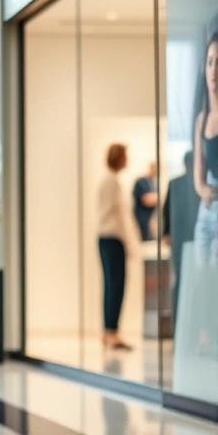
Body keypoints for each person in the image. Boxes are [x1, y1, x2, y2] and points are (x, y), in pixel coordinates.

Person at [98, 144, 132, 350]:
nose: (127, 159)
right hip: (112, 237)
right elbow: (116, 215)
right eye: (125, 155)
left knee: (111, 285)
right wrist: (126, 242)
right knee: (115, 285)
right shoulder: (111, 181)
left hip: (107, 237)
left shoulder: (109, 180)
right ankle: (112, 331)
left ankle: (109, 330)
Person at [162, 151, 200, 326]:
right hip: (184, 239)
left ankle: (184, 323)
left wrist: (167, 233)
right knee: (183, 279)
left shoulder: (182, 183)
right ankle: (181, 323)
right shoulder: (180, 183)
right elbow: (167, 210)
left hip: (186, 239)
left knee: (184, 279)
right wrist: (167, 233)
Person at [192, 33, 218, 249]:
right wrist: (205, 190)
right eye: (210, 62)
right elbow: (198, 177)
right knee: (200, 265)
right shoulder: (202, 119)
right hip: (207, 211)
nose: (214, 70)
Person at [132, 161, 158, 242]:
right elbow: (147, 200)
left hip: (149, 223)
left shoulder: (152, 184)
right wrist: (158, 198)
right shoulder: (141, 182)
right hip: (141, 223)